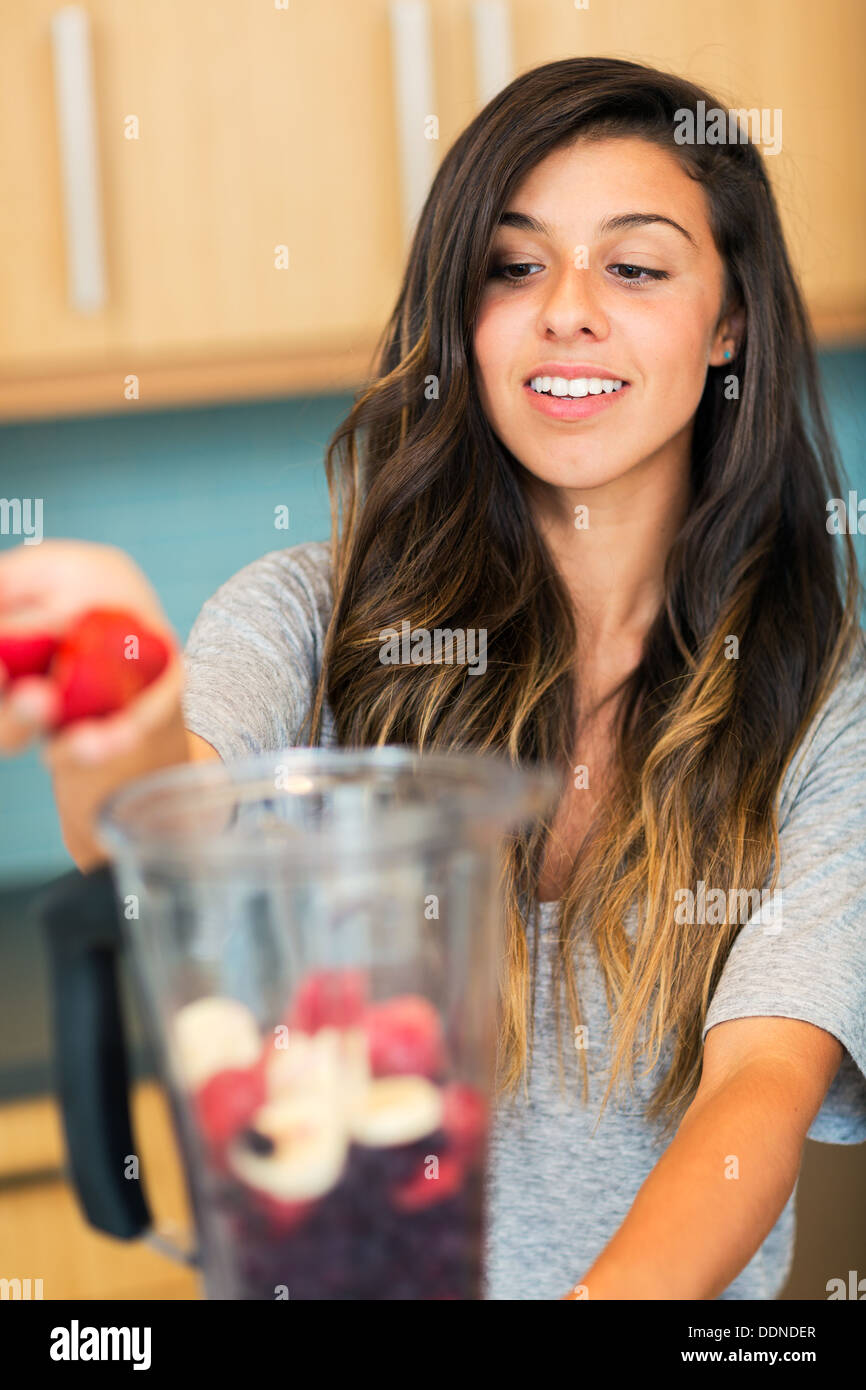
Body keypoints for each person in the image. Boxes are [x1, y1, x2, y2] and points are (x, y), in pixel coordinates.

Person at [1, 57, 864, 1301]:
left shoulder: (817, 696)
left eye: (632, 265)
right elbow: (153, 832)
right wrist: (110, 709)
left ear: (728, 320)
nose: (565, 308)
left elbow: (755, 1090)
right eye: (512, 265)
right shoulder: (306, 616)